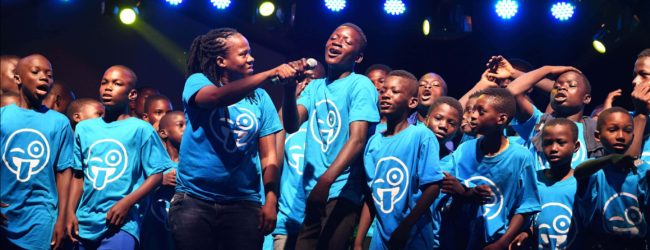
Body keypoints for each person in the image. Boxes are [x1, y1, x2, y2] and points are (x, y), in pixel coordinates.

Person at [170, 27, 297, 250]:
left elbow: (269, 158)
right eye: (243, 54)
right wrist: (269, 74)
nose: (251, 58)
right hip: (195, 200)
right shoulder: (198, 82)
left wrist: (270, 199)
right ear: (221, 61)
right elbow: (217, 98)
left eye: (249, 52)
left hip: (243, 204)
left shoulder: (260, 99)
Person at [281, 23, 380, 250]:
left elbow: (357, 139)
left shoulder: (360, 85)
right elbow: (292, 124)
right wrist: (288, 90)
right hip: (313, 192)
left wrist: (326, 181)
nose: (336, 42)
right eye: (334, 37)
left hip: (341, 189)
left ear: (358, 57)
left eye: (346, 41)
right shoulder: (315, 87)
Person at [66, 65, 171, 249]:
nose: (108, 87)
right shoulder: (84, 128)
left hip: (121, 223)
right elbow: (78, 176)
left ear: (132, 95)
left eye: (117, 83)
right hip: (84, 222)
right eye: (104, 82)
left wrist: (127, 203)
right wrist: (69, 212)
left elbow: (156, 174)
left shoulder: (141, 129)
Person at [441, 88, 540, 249]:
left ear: (501, 119)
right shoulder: (464, 149)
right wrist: (464, 193)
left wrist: (503, 242)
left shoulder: (520, 157)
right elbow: (446, 182)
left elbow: (526, 206)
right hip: (458, 237)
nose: (472, 115)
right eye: (472, 110)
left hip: (493, 241)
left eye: (481, 112)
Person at [358, 70, 443, 249]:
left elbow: (433, 187)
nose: (386, 96)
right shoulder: (374, 141)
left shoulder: (421, 136)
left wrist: (405, 226)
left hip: (413, 238)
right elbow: (371, 195)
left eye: (394, 92)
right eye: (383, 91)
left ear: (412, 102)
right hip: (380, 240)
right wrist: (359, 242)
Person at [0, 54, 72, 250]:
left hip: (40, 215)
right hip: (4, 213)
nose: (44, 77)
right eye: (36, 72)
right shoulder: (3, 117)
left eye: (49, 75)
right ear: (18, 78)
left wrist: (61, 217)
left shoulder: (59, 123)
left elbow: (65, 171)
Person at [574, 107, 648, 249]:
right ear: (597, 136)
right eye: (613, 130)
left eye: (627, 131)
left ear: (633, 137)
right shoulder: (594, 170)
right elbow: (579, 172)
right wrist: (611, 158)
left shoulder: (641, 170)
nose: (621, 136)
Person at [506, 65, 603, 170]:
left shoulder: (595, 130)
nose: (562, 87)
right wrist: (548, 69)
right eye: (556, 87)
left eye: (572, 85)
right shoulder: (539, 121)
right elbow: (512, 92)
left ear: (586, 98)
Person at [273, 60, 324, 250]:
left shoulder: (324, 126)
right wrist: (289, 97)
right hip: (286, 223)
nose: (303, 84)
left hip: (315, 223)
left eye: (310, 79)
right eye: (300, 79)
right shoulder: (284, 122)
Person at [511, 118, 580, 249]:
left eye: (561, 143)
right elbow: (534, 218)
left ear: (575, 146)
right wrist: (527, 233)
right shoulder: (534, 180)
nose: (554, 148)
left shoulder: (582, 183)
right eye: (548, 143)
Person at [141, 111, 186, 250]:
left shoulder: (193, 164)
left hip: (183, 229)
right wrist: (158, 180)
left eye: (188, 125)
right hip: (154, 228)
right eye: (181, 125)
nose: (186, 129)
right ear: (163, 133)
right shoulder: (154, 163)